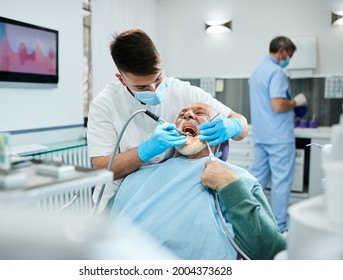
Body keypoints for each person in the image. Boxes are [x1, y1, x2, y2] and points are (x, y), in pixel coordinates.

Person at [87, 29, 249, 209]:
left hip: (167, 200)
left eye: (158, 79)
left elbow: (242, 125)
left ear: (160, 60)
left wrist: (233, 125)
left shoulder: (183, 91)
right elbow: (102, 167)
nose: (154, 89)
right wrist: (144, 151)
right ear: (122, 79)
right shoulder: (104, 105)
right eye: (142, 87)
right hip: (120, 202)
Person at [109, 102, 286, 260]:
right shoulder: (137, 177)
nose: (188, 115)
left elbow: (272, 252)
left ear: (220, 135)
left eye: (200, 113)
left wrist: (231, 186)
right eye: (182, 114)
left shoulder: (237, 181)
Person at [248, 36, 307, 233]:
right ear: (282, 50)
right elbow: (278, 104)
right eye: (289, 55)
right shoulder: (277, 72)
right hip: (279, 137)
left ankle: (246, 219)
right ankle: (280, 228)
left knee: (255, 180)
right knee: (281, 182)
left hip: (262, 134)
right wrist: (296, 102)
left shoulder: (257, 72)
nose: (288, 59)